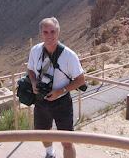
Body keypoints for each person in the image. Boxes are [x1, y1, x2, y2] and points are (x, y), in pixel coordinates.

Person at [27, 17, 85, 158]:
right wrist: (34, 83)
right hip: (41, 100)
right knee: (43, 132)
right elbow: (30, 70)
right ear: (41, 34)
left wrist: (61, 91)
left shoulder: (69, 55)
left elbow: (81, 80)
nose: (49, 36)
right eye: (45, 32)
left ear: (58, 32)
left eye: (52, 31)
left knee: (67, 141)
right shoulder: (35, 51)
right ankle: (50, 154)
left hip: (61, 103)